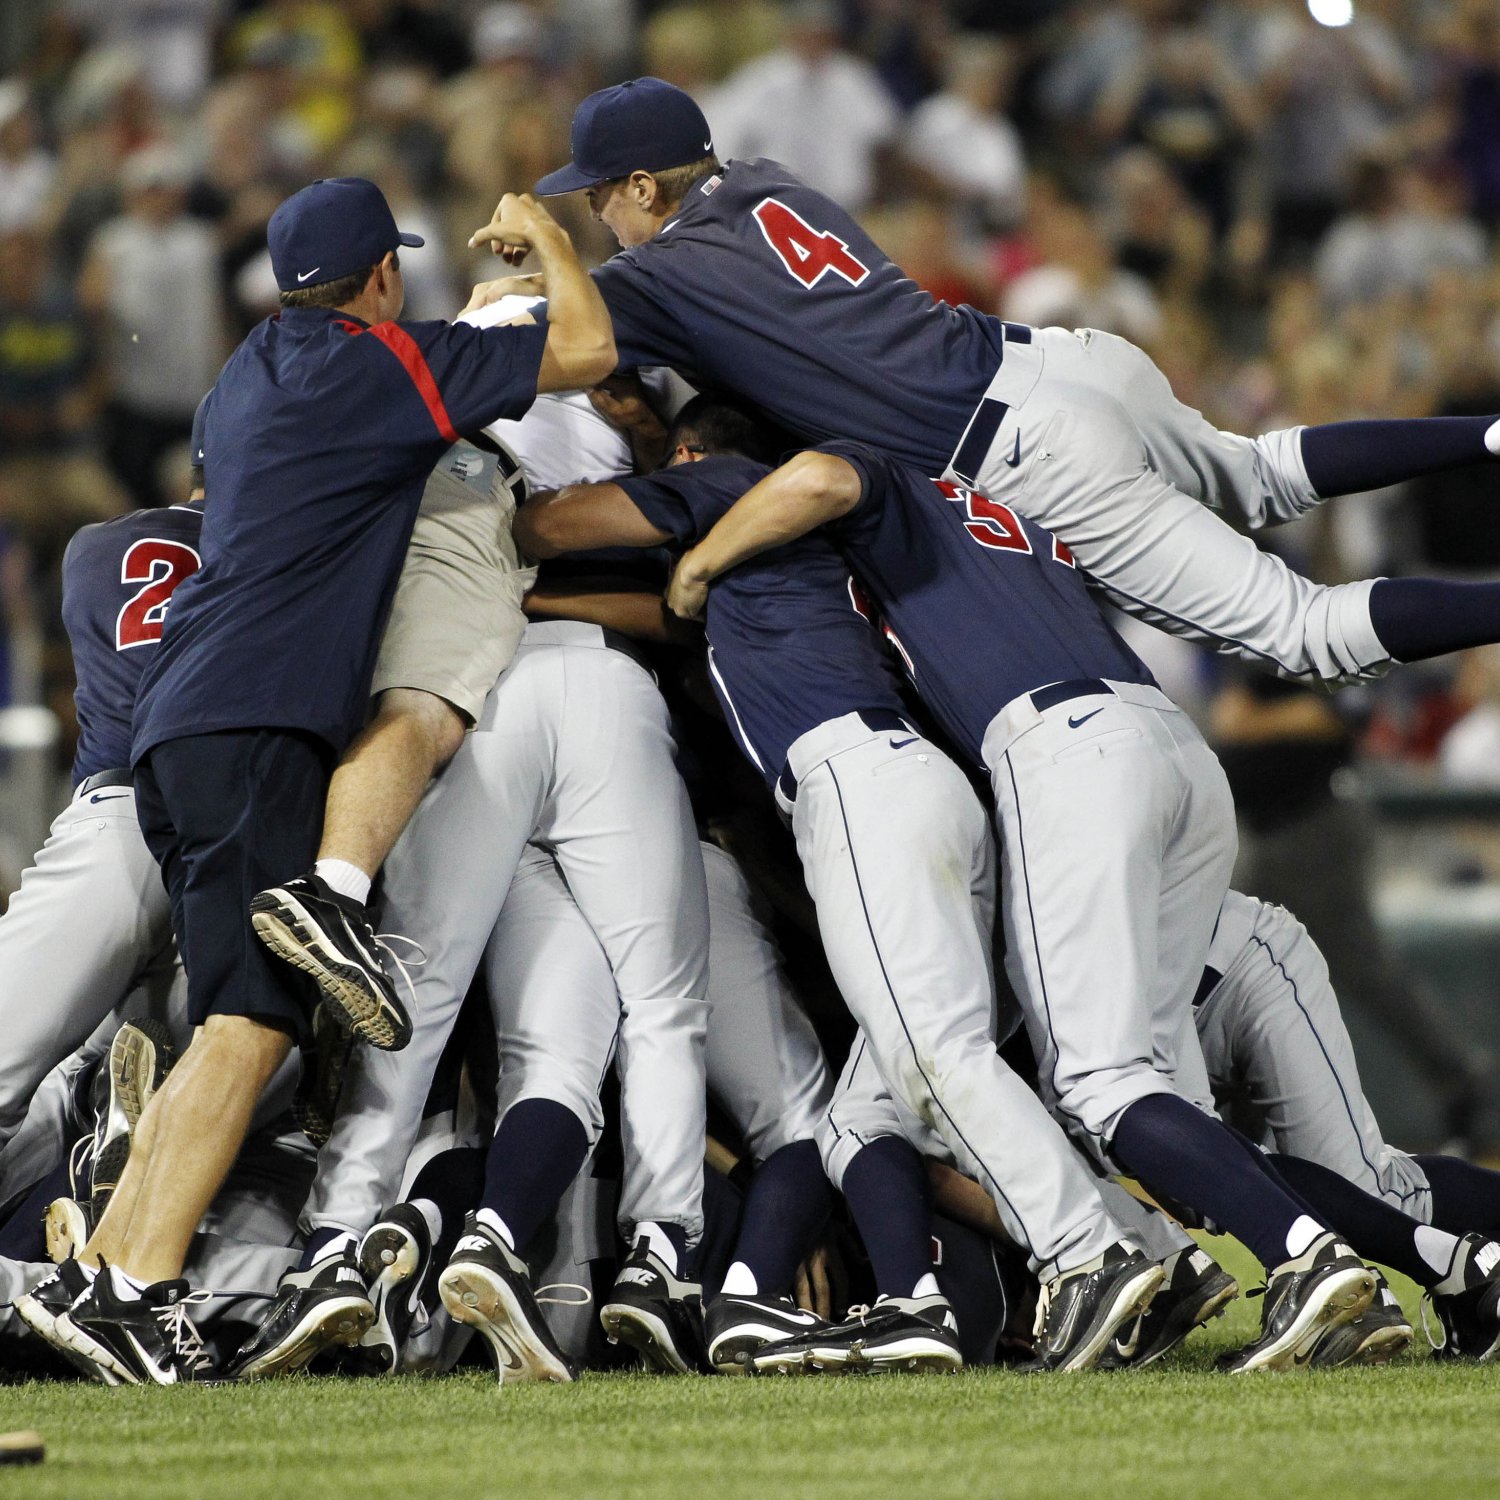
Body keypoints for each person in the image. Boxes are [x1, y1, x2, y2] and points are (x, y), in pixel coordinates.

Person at [20, 176, 614, 1388]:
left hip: (177, 722)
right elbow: (591, 348)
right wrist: (550, 240)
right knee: (247, 1019)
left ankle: (121, 1279)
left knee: (236, 1016)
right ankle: (134, 1282)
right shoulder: (376, 368)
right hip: (255, 718)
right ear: (382, 279)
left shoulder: (242, 373)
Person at [663, 438, 1387, 1373]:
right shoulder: (1006, 490)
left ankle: (1239, 1256)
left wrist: (698, 566)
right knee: (1109, 1093)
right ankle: (1361, 1264)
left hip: (1060, 759)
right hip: (1165, 745)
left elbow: (819, 479)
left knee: (1094, 1083)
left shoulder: (873, 476)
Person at [515, 397, 1175, 1374]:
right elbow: (672, 617)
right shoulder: (794, 561)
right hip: (932, 787)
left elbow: (558, 524)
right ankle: (1138, 1260)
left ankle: (1092, 1252)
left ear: (699, 454)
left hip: (859, 785)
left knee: (933, 1061)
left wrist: (495, 528)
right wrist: (542, 606)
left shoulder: (725, 480)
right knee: (870, 1108)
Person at [525, 77, 1500, 698]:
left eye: (600, 194)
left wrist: (537, 256)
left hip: (1019, 447)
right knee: (1257, 470)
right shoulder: (764, 181)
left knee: (1308, 632)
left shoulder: (659, 275)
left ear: (647, 185)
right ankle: (1488, 434)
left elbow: (556, 352)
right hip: (1063, 360)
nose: (599, 214)